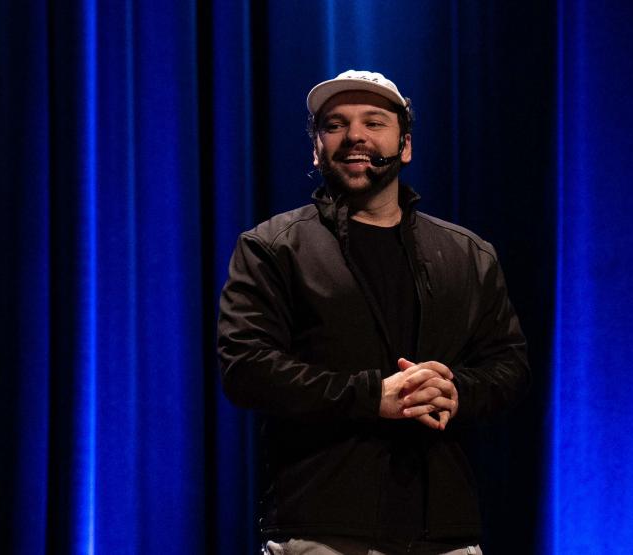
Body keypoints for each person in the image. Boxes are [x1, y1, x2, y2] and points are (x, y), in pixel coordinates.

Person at [217, 70, 530, 555]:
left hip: (445, 532)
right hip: (320, 528)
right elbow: (246, 368)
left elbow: (509, 366)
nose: (356, 135)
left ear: (404, 146)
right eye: (335, 125)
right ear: (317, 148)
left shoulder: (469, 254)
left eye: (374, 122)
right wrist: (371, 397)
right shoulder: (273, 247)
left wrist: (456, 391)